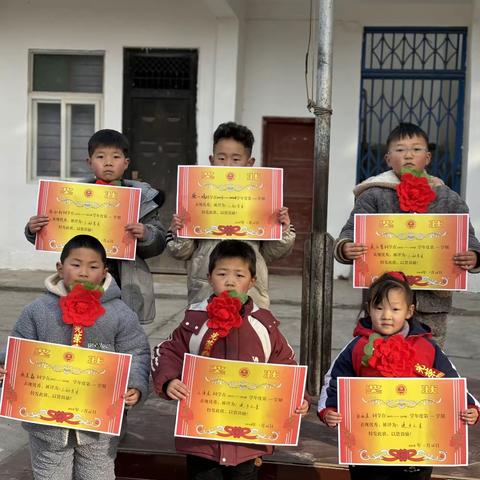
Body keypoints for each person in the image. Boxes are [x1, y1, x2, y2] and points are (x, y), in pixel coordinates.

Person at [151, 239, 309, 480]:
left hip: (248, 441)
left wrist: (299, 398)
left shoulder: (263, 324)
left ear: (252, 281)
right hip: (202, 438)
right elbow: (167, 351)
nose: (230, 281)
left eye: (239, 275)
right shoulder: (195, 320)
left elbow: (286, 364)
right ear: (209, 277)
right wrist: (169, 381)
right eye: (222, 273)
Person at [0, 234, 150, 480]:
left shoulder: (120, 313)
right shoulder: (38, 310)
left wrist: (135, 385)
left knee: (97, 473)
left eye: (93, 267)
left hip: (99, 425)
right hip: (46, 424)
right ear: (60, 268)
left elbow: (136, 351)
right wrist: (5, 366)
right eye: (75, 264)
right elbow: (19, 348)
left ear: (104, 272)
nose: (83, 272)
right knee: (50, 474)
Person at [318, 272, 479, 480]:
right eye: (379, 308)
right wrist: (329, 409)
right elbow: (335, 381)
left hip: (417, 444)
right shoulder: (357, 347)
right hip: (369, 446)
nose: (386, 315)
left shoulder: (426, 347)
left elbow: (447, 380)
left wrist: (469, 407)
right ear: (368, 309)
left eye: (395, 309)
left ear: (409, 311)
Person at [335, 122, 480, 348]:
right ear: (388, 158)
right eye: (400, 150)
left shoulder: (448, 199)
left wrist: (473, 255)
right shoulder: (373, 195)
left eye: (416, 149)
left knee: (428, 359)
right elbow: (350, 231)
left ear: (428, 157)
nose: (409, 155)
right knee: (382, 355)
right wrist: (346, 247)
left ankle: (425, 380)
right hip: (384, 304)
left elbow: (468, 238)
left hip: (432, 304)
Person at [25, 129, 167, 324]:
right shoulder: (72, 196)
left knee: (122, 330)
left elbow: (158, 242)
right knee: (83, 326)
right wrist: (34, 230)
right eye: (100, 156)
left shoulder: (142, 198)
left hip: (126, 283)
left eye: (116, 157)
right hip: (84, 276)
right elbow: (56, 233)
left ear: (126, 163)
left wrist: (146, 234)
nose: (108, 162)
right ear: (89, 162)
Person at [166, 121, 296, 309]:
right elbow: (182, 252)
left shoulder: (262, 198)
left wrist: (283, 231)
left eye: (236, 159)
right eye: (221, 158)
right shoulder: (197, 196)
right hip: (205, 289)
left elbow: (272, 252)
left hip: (250, 292)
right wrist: (178, 231)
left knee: (248, 336)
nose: (228, 166)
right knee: (206, 336)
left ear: (249, 163)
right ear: (211, 160)